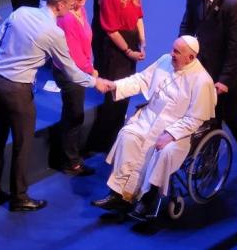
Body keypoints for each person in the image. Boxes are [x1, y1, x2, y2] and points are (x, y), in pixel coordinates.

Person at [0, 0, 113, 212]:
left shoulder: (21, 11)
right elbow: (71, 71)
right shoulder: (54, 33)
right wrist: (96, 82)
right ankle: (19, 197)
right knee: (22, 144)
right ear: (60, 5)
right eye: (72, 4)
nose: (74, 8)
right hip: (17, 90)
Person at [91, 36, 217, 219]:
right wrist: (115, 85)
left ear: (190, 58)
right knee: (128, 136)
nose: (171, 54)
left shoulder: (202, 80)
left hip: (177, 129)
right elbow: (142, 80)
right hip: (149, 119)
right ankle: (118, 194)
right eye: (173, 49)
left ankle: (148, 198)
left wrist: (171, 135)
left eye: (177, 52)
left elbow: (195, 118)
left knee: (164, 152)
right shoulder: (165, 60)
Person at [180, 0, 237, 169]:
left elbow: (236, 47)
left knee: (231, 117)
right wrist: (182, 49)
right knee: (209, 116)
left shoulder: (234, 4)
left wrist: (224, 80)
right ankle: (209, 160)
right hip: (205, 66)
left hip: (230, 72)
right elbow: (188, 24)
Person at [88, 0, 145, 153]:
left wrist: (142, 40)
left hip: (131, 43)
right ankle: (99, 143)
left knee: (126, 92)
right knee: (114, 97)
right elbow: (111, 30)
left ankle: (114, 136)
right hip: (116, 48)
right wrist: (129, 51)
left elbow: (139, 16)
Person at [54, 0, 97, 176]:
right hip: (71, 73)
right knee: (74, 116)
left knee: (73, 114)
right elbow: (73, 53)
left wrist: (90, 65)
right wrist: (90, 71)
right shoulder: (68, 18)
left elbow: (85, 43)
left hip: (82, 69)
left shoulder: (82, 11)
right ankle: (70, 162)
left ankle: (70, 155)